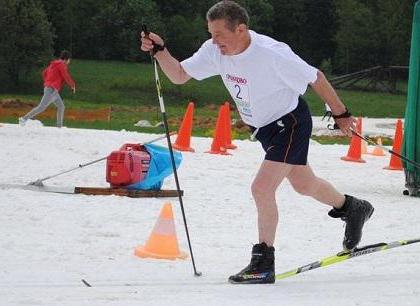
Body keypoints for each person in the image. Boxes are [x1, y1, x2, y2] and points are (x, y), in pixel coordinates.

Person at [140, 0, 374, 284]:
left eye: (220, 35)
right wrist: (161, 51)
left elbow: (316, 77)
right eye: (211, 34)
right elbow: (179, 75)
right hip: (265, 130)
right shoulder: (214, 50)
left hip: (291, 123)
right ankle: (352, 207)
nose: (214, 41)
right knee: (304, 184)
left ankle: (263, 261)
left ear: (241, 29)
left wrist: (341, 113)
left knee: (261, 188)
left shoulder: (273, 54)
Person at [19, 50, 76, 128]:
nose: (69, 62)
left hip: (52, 89)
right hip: (52, 90)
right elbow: (65, 76)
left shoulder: (53, 64)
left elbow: (44, 73)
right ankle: (23, 118)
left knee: (61, 106)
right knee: (42, 107)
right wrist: (72, 85)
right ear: (67, 59)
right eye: (69, 60)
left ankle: (59, 126)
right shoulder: (62, 64)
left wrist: (48, 82)